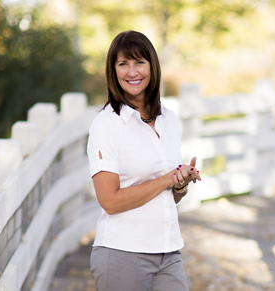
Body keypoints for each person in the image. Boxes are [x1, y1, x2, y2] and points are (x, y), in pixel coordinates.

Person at [87, 30, 201, 291]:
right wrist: (165, 180)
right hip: (122, 254)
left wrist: (180, 183)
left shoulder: (169, 119)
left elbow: (168, 196)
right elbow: (110, 201)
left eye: (139, 62)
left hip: (168, 251)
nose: (131, 71)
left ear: (152, 66)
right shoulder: (107, 125)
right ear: (113, 71)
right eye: (123, 64)